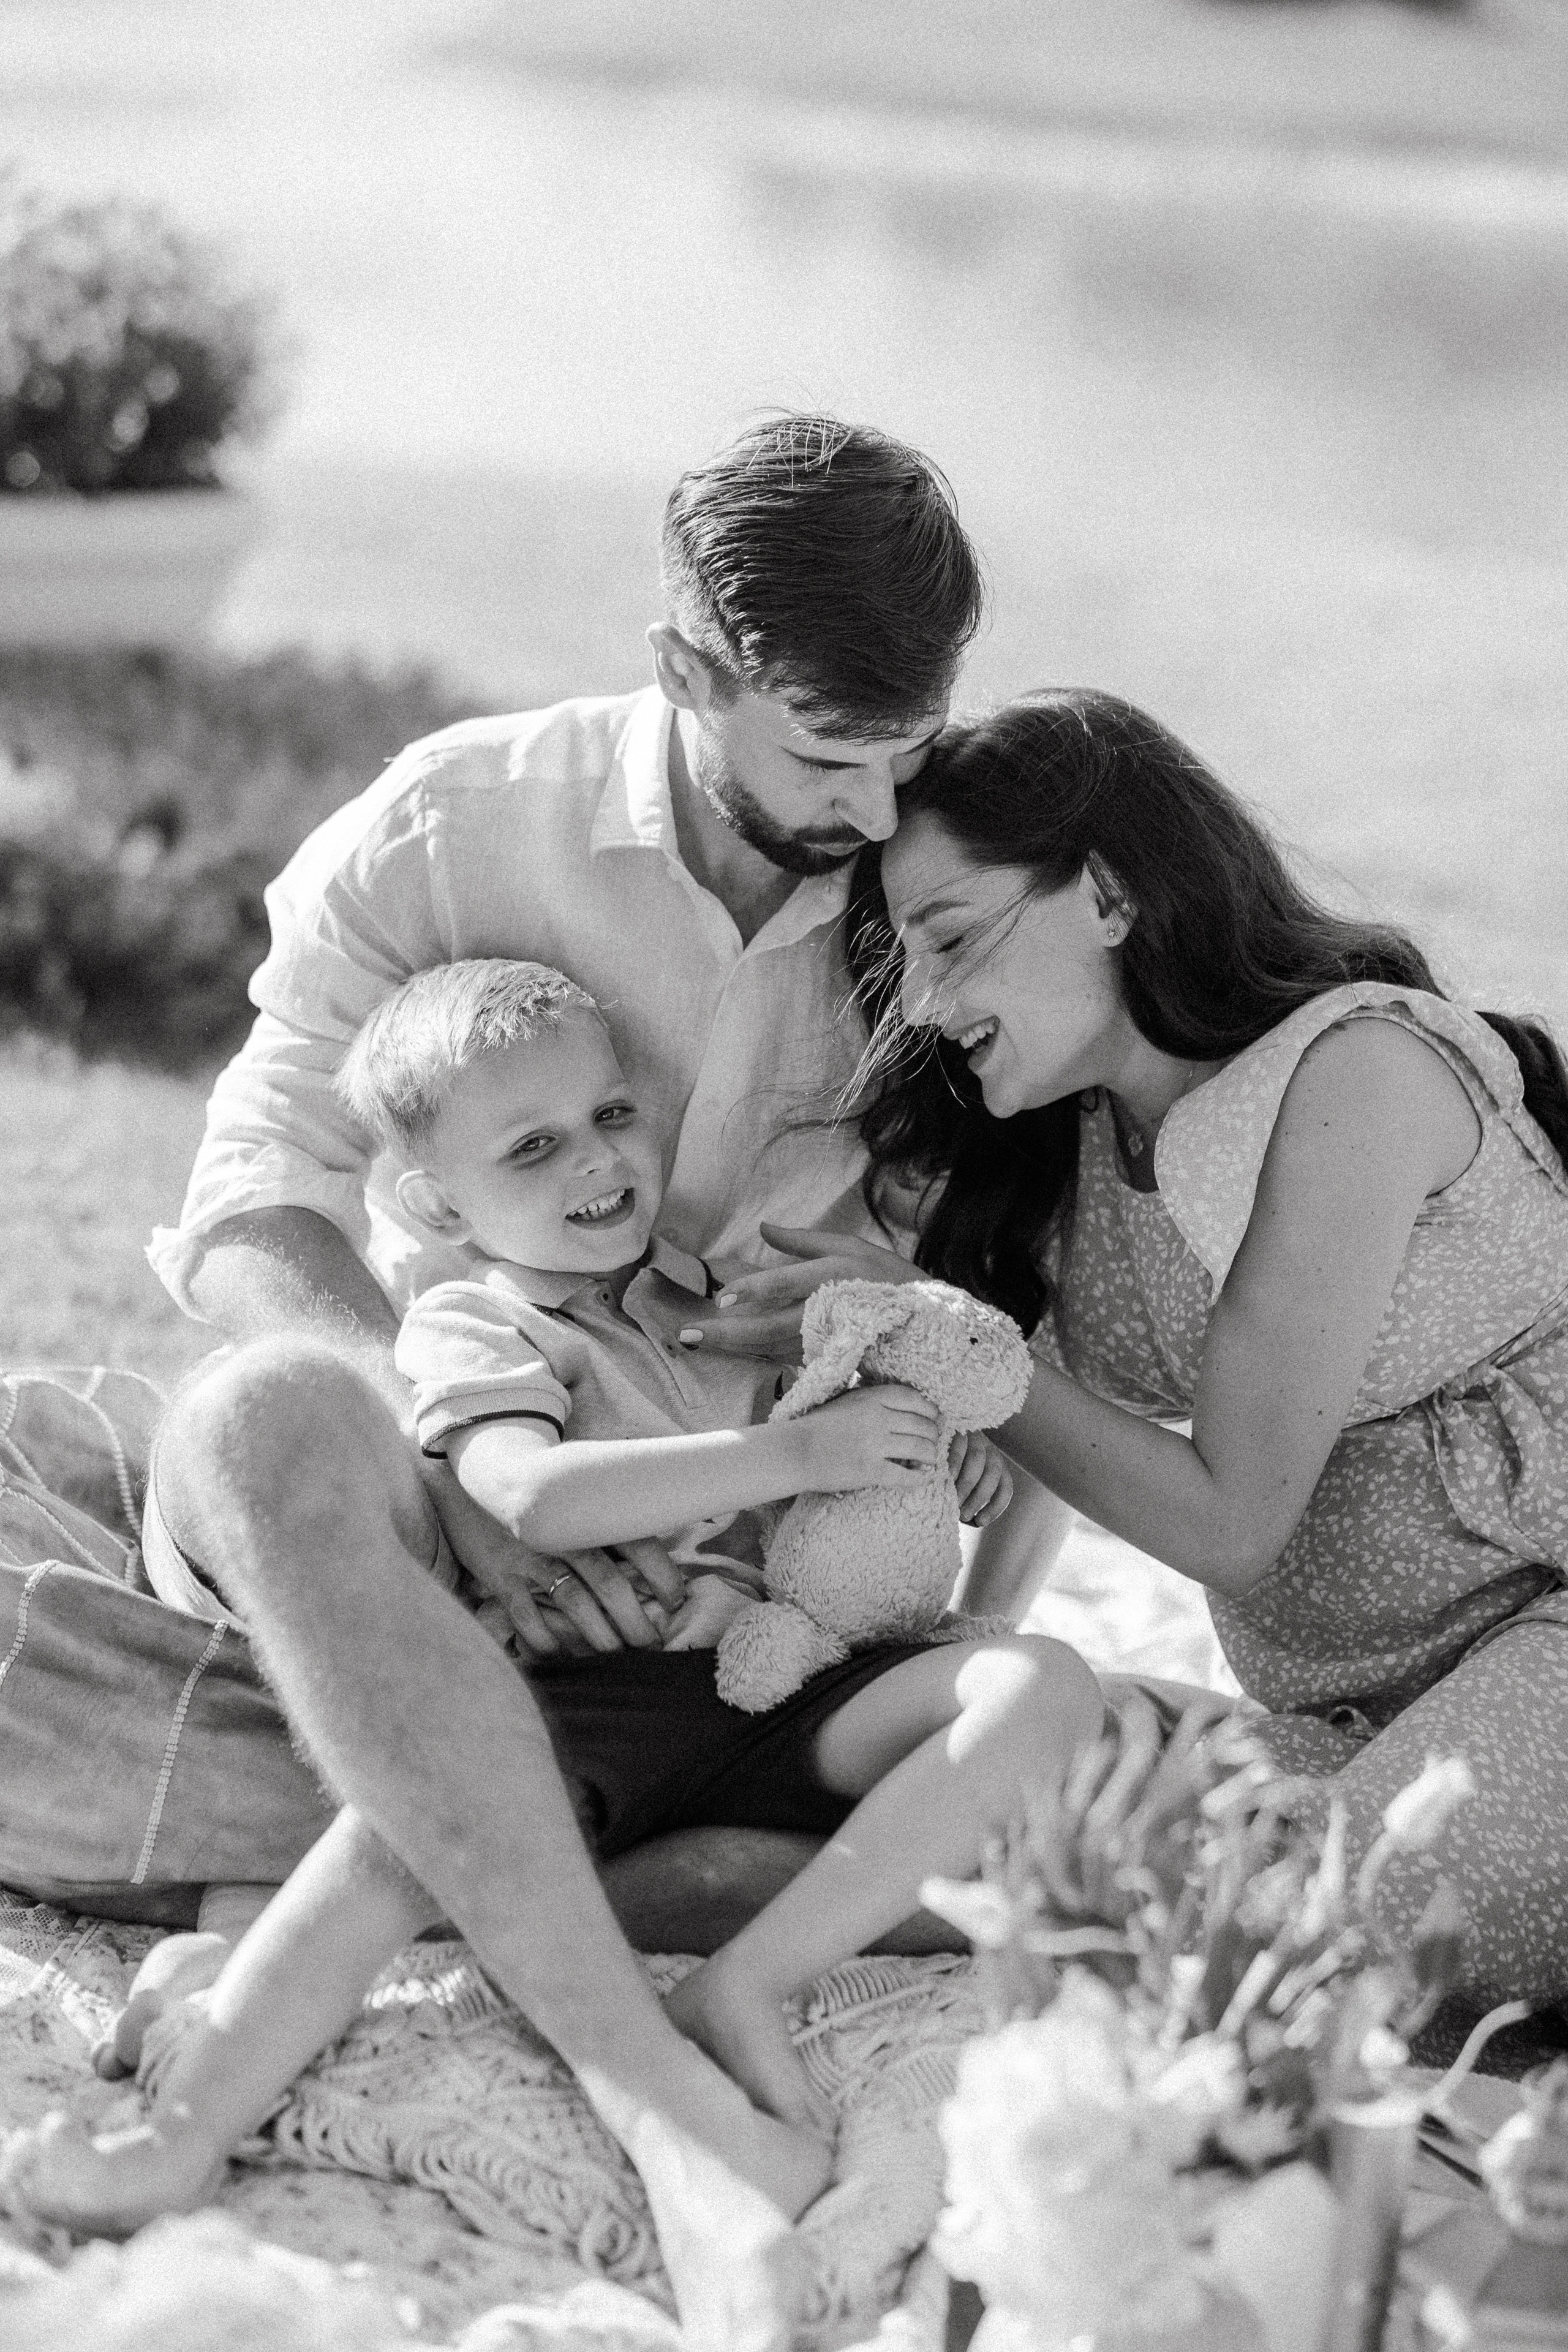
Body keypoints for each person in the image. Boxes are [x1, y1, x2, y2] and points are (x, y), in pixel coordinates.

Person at [0, 414, 1062, 2348]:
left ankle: (468, 1862)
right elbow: (255, 1195)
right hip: (425, 1472)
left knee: (1075, 1768)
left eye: (910, 743)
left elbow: (991, 1264)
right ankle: (659, 2093)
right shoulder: (455, 821)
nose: (881, 798)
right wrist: (455, 1466)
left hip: (716, 1592)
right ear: (686, 669)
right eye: (828, 751)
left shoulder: (937, 877)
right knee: (258, 1415)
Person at [1, 956, 1096, 2248]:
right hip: (598, 1695)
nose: (595, 1161)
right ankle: (179, 2134)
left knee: (1041, 1685)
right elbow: (526, 1496)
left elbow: (828, 1477)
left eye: (612, 1115)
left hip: (781, 1677)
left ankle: (748, 1982)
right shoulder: (478, 1323)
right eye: (533, 1147)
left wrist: (922, 1457)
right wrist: (795, 1455)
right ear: (436, 1202)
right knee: (402, 1837)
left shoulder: (716, 1297)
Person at [773, 685, 1565, 2012]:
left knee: (1273, 1954)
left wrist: (936, 1329)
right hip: (1336, 1721)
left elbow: (1226, 1519)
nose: (917, 999)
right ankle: (623, 1896)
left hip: (1546, 1648)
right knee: (951, 1815)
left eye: (949, 936)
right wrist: (980, 1639)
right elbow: (1059, 1432)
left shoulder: (1357, 1070)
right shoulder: (1075, 1147)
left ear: (1108, 893)